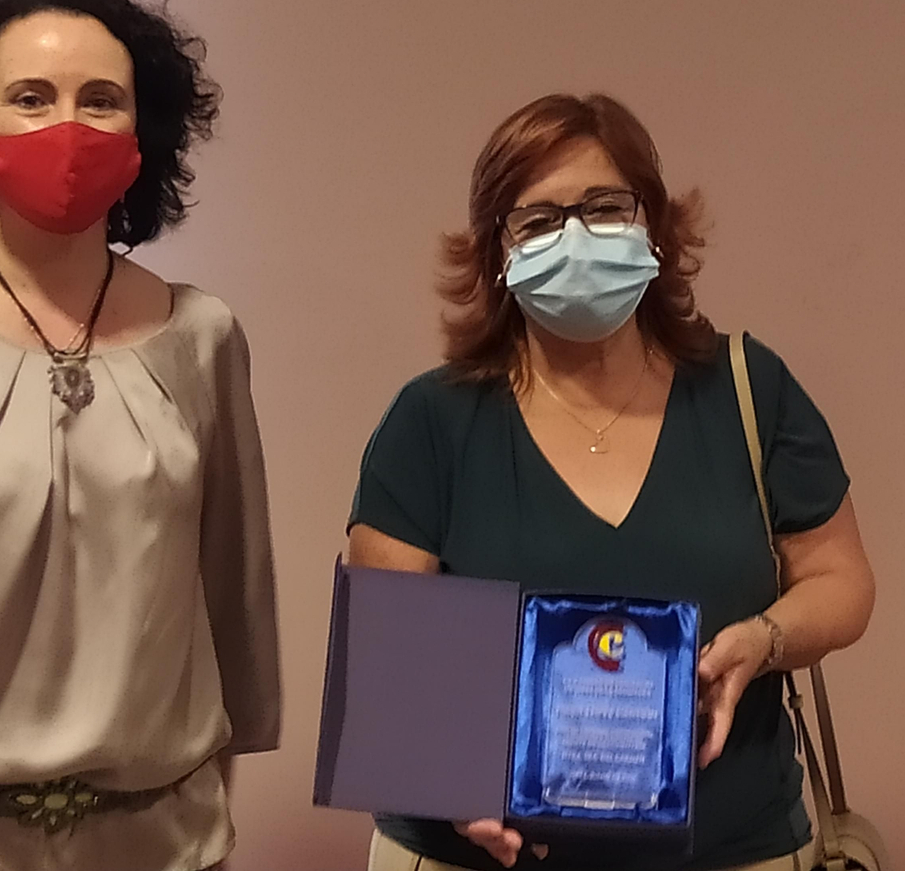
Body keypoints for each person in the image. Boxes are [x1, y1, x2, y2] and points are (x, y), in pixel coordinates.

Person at [347, 92, 875, 871]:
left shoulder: (748, 391)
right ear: (497, 250)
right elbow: (388, 655)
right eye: (538, 220)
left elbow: (842, 581)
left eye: (604, 208)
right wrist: (454, 788)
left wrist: (762, 643)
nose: (575, 237)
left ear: (654, 226)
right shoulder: (434, 419)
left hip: (734, 851)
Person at [0, 0, 281, 871]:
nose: (67, 126)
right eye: (30, 97)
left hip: (166, 841)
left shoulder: (203, 336)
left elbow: (234, 595)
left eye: (100, 100)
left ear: (144, 133)